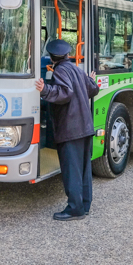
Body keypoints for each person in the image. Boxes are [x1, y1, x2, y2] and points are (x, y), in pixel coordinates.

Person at [34, 39, 99, 221]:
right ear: (67, 55)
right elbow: (93, 89)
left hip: (71, 129)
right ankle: (84, 205)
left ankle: (74, 209)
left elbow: (65, 93)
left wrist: (45, 89)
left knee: (72, 170)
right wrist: (91, 80)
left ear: (52, 57)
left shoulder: (60, 71)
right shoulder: (77, 69)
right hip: (85, 127)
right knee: (84, 169)